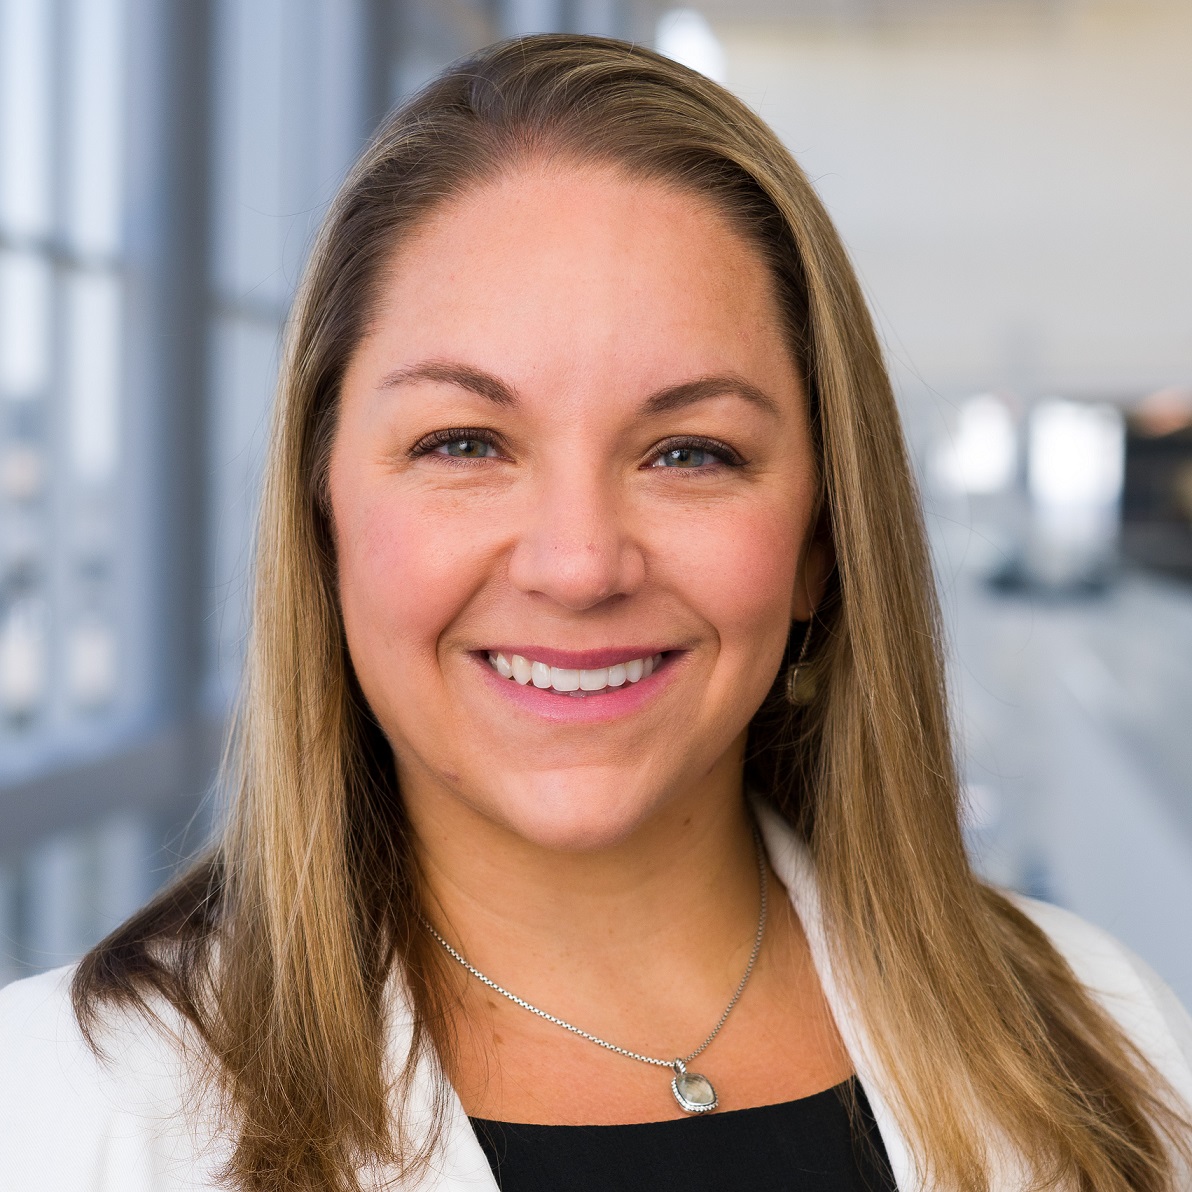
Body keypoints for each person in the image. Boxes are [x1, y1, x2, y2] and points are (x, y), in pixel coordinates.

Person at [2, 34, 1190, 1192]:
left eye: (689, 451)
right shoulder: (57, 1113)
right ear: (322, 517)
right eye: (463, 442)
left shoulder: (1106, 1033)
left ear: (822, 543)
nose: (578, 564)